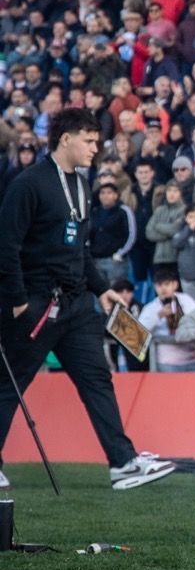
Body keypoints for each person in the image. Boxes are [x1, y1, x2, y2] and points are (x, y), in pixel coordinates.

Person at [0, 108, 176, 490]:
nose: (97, 148)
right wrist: (16, 300)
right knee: (8, 384)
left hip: (77, 305)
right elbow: (6, 246)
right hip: (35, 305)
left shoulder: (81, 184)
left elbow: (79, 249)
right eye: (90, 140)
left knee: (98, 379)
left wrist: (100, 288)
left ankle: (123, 463)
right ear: (66, 139)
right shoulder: (27, 184)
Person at [135, 268, 195, 373]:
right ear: (155, 287)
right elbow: (138, 333)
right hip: (167, 362)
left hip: (192, 359)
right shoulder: (150, 308)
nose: (163, 288)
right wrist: (157, 316)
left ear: (175, 285)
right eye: (159, 285)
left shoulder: (186, 300)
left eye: (167, 284)